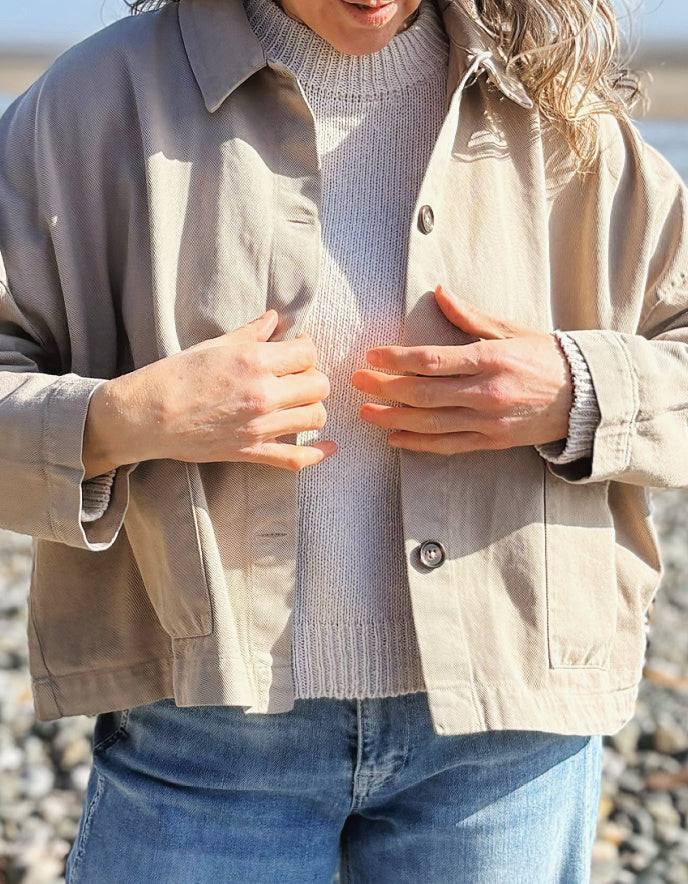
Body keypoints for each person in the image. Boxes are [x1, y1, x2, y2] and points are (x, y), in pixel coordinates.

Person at [0, 0, 686, 880]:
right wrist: (132, 418)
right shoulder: (95, 101)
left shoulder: (553, 100)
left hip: (509, 741)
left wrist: (577, 391)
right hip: (206, 733)